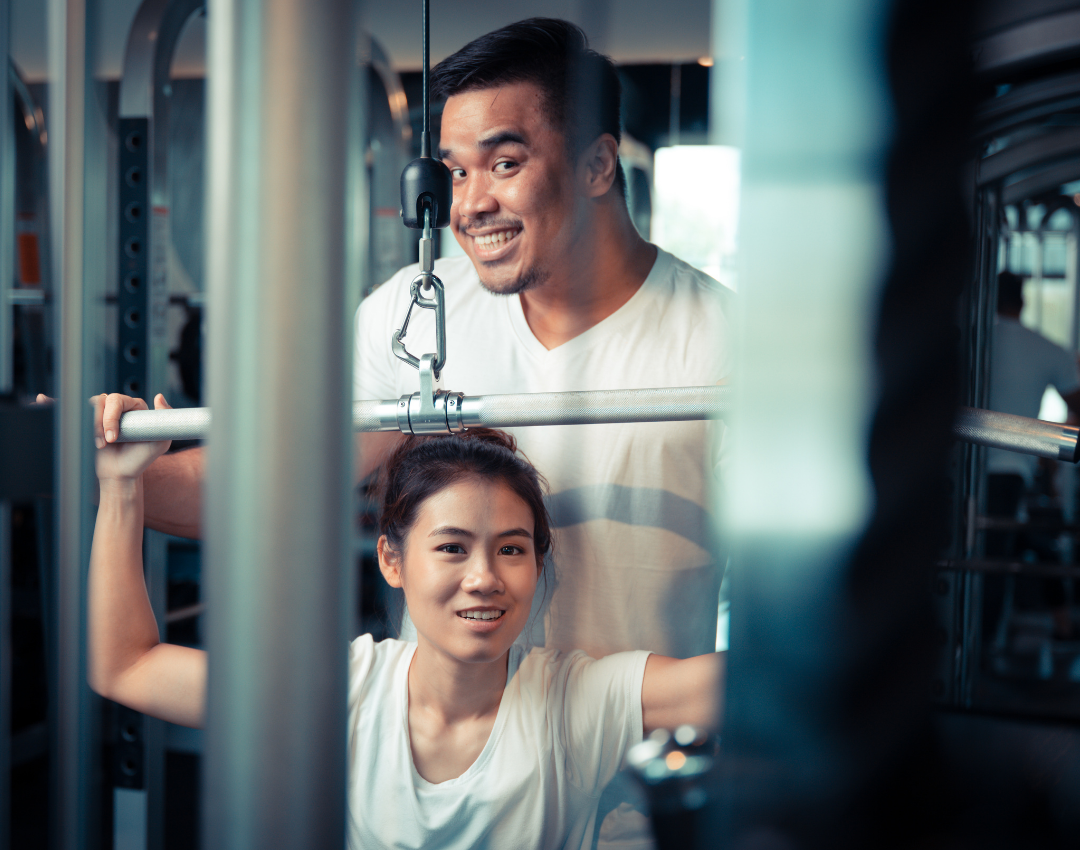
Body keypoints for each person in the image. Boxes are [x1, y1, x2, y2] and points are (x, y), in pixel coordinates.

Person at [94, 18, 731, 846]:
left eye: (505, 164)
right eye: (455, 172)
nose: (471, 205)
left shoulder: (724, 345)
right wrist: (116, 479)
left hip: (625, 798)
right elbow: (282, 486)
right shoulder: (416, 311)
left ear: (598, 164)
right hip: (427, 772)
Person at [87, 392, 724, 850]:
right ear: (393, 560)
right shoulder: (348, 689)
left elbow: (771, 679)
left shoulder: (576, 702)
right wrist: (121, 489)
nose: (484, 577)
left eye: (511, 548)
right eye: (452, 547)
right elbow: (127, 666)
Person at [986, 270, 1080, 639]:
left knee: (986, 558)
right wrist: (1051, 454)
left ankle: (976, 650)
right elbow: (1076, 406)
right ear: (1022, 303)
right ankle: (982, 654)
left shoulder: (974, 340)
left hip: (965, 465)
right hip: (1010, 468)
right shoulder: (1045, 348)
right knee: (991, 563)